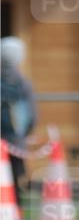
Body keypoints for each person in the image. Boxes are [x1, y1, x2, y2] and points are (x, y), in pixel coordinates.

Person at [0, 37, 37, 209]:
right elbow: (31, 112)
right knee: (16, 170)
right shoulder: (22, 82)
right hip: (16, 135)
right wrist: (27, 131)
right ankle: (16, 208)